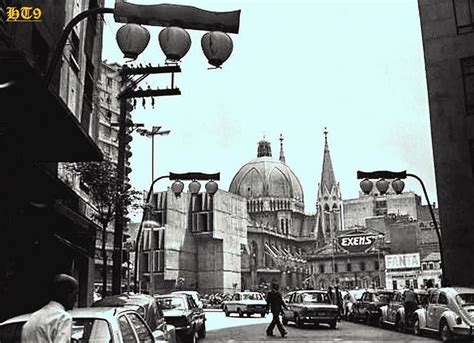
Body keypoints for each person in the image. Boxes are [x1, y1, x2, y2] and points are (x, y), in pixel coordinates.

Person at [21, 274, 78, 343]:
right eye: (74, 294)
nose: (76, 299)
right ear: (66, 294)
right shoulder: (63, 318)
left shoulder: (33, 318)